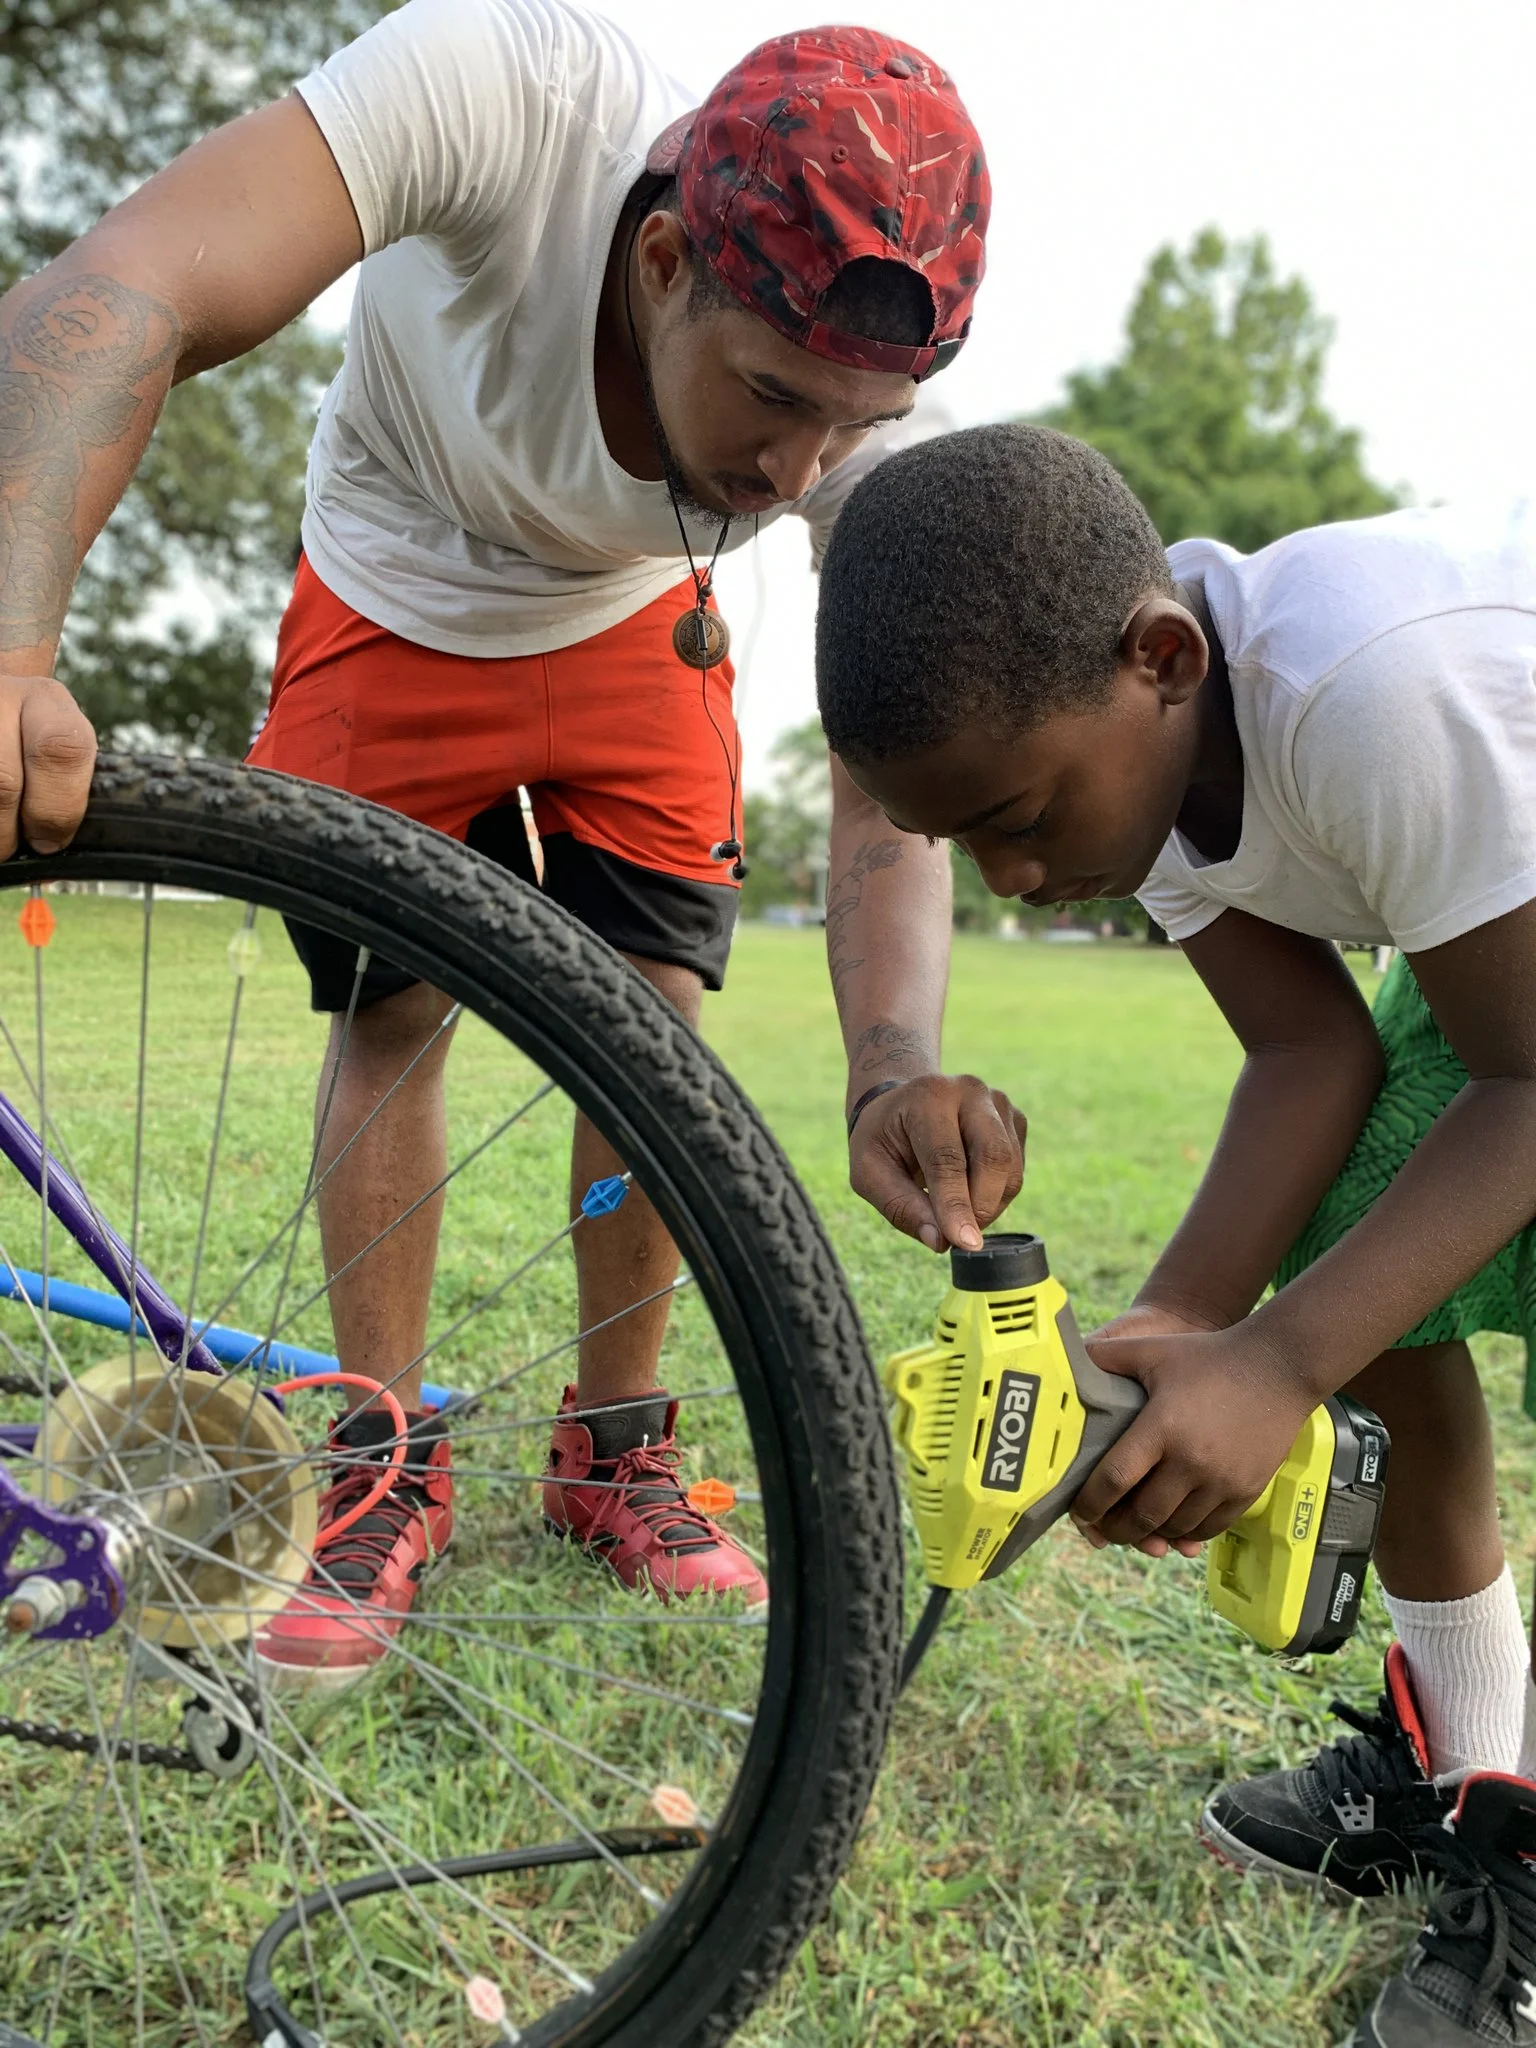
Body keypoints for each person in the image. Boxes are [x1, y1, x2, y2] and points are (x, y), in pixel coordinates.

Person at [0, 0, 1027, 1684]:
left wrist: (891, 1060)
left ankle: (615, 1452)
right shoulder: (501, 88)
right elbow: (125, 286)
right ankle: (381, 1460)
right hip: (395, 577)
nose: (797, 469)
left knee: (655, 1024)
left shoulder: (859, 410)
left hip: (640, 623)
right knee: (390, 1018)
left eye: (846, 427)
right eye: (772, 399)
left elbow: (884, 755)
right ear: (668, 255)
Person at [815, 420, 1536, 2047]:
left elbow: (1532, 1083)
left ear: (1159, 658)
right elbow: (1315, 1054)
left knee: (1362, 1296)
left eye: (1013, 814)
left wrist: (1280, 1364)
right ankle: (1484, 1768)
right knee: (1366, 1241)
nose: (1008, 876)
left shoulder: (1364, 690)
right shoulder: (1163, 744)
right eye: (963, 847)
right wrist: (1189, 1327)